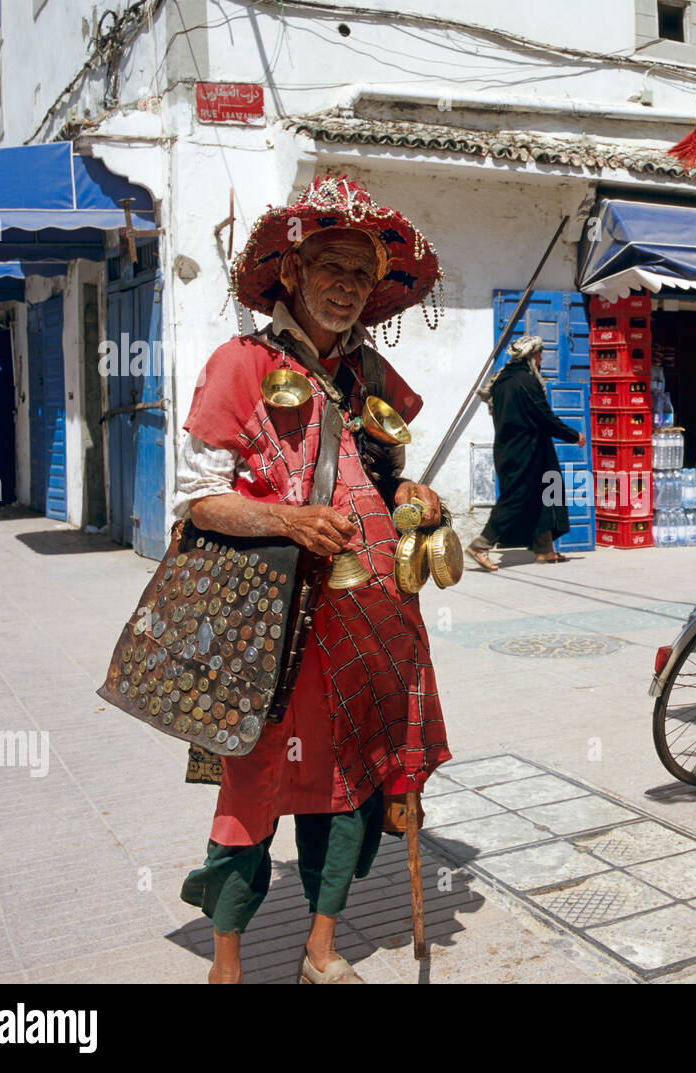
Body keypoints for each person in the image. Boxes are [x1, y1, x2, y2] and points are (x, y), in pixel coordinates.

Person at [173, 175, 451, 984]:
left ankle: (320, 948)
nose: (345, 287)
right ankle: (227, 962)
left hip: (363, 621)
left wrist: (413, 496)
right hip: (268, 624)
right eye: (330, 265)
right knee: (252, 787)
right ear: (290, 274)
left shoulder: (370, 383)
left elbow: (381, 477)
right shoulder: (241, 364)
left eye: (361, 275)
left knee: (346, 783)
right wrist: (288, 520)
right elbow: (196, 499)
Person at [466, 335, 586, 571]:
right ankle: (480, 545)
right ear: (530, 357)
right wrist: (573, 435)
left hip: (512, 448)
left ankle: (544, 550)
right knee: (515, 497)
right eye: (539, 354)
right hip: (524, 451)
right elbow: (544, 416)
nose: (541, 359)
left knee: (545, 491)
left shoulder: (501, 380)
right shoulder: (525, 381)